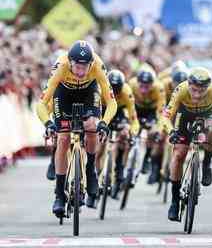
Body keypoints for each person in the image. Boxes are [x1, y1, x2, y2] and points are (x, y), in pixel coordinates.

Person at [36, 40, 117, 216]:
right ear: (70, 63)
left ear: (91, 64)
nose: (81, 72)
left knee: (91, 125)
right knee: (63, 138)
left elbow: (111, 102)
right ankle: (59, 194)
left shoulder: (98, 66)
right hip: (63, 93)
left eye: (85, 67)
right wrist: (47, 123)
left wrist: (104, 122)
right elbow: (41, 103)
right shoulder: (61, 65)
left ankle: (90, 169)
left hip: (89, 92)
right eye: (77, 67)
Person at [161, 66, 212, 221]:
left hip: (208, 113)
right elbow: (166, 116)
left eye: (201, 91)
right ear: (188, 85)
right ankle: (175, 201)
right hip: (185, 114)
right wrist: (171, 132)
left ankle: (206, 164)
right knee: (178, 155)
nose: (197, 94)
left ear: (207, 88)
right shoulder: (180, 90)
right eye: (194, 90)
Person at [96, 69, 140, 199]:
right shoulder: (99, 89)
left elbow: (133, 119)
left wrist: (132, 133)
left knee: (125, 134)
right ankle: (95, 179)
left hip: (119, 113)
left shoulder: (127, 92)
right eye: (112, 89)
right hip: (102, 111)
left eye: (117, 90)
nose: (114, 93)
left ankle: (120, 169)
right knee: (99, 149)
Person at [129, 64, 166, 184]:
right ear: (137, 82)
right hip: (136, 109)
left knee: (152, 132)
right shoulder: (131, 84)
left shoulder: (159, 88)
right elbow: (127, 105)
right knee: (130, 131)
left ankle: (147, 157)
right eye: (142, 86)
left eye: (147, 86)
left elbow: (161, 112)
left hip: (151, 111)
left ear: (152, 84)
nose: (144, 89)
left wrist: (158, 129)